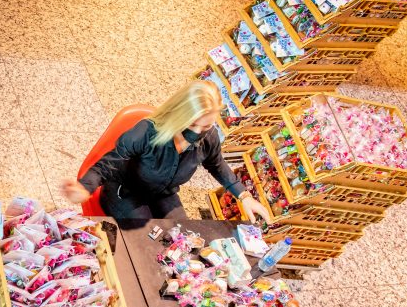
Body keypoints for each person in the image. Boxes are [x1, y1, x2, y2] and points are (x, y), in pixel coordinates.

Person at [60, 80, 271, 223]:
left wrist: (244, 196)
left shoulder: (209, 137)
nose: (197, 133)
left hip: (163, 194)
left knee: (182, 236)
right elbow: (110, 162)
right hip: (126, 192)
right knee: (147, 239)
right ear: (178, 116)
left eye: (205, 127)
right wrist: (85, 188)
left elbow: (217, 164)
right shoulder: (147, 132)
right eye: (191, 125)